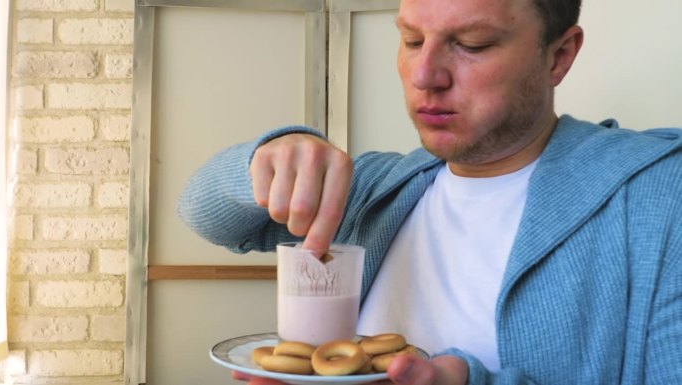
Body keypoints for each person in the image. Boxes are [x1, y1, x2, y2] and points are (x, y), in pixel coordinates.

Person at [177, 0, 682, 383]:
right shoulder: (377, 189)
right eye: (412, 40)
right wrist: (270, 153)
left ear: (559, 56)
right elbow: (202, 212)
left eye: (473, 45)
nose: (424, 77)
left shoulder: (660, 198)